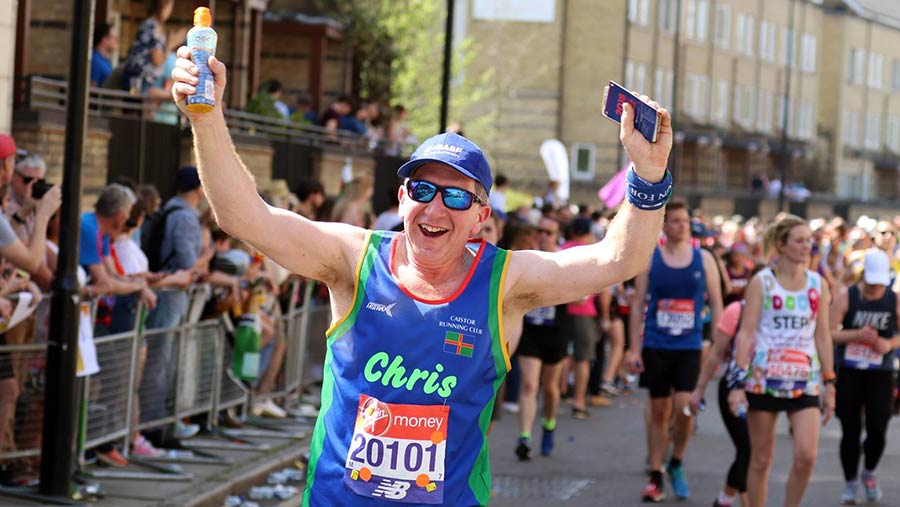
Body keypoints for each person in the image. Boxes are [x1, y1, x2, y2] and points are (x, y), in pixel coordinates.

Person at [171, 47, 673, 505]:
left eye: (456, 196)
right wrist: (206, 116)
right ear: (401, 199)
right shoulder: (353, 260)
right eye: (423, 189)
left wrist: (648, 178)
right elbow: (245, 217)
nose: (435, 206)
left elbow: (618, 260)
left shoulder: (506, 283)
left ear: (481, 218)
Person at [726, 215, 836, 507]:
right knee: (761, 460)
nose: (806, 246)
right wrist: (737, 384)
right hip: (764, 379)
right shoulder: (762, 282)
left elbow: (823, 336)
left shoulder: (818, 284)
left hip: (805, 380)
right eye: (799, 241)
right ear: (781, 245)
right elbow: (745, 335)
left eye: (809, 241)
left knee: (807, 456)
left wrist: (830, 383)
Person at [626, 199, 723, 502]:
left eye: (685, 221)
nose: (683, 226)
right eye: (676, 221)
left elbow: (718, 303)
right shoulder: (650, 258)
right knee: (658, 411)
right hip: (657, 344)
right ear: (664, 226)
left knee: (685, 408)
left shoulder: (703, 259)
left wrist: (720, 343)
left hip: (689, 346)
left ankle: (676, 461)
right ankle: (656, 475)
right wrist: (633, 349)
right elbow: (638, 303)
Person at [690, 263, 766, 507]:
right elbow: (715, 354)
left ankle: (726, 497)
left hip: (764, 390)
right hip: (734, 388)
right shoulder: (737, 310)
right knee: (748, 449)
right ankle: (734, 500)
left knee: (756, 453)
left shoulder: (777, 314)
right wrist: (699, 389)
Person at [142, 166, 206, 443]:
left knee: (159, 359)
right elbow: (188, 263)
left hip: (163, 294)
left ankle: (156, 423)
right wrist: (206, 257)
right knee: (161, 360)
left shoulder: (169, 210)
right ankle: (156, 425)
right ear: (198, 189)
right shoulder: (185, 218)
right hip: (170, 297)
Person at [830, 248, 898, 504]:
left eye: (880, 283)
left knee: (878, 427)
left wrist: (889, 344)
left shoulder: (894, 299)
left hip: (880, 372)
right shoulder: (847, 297)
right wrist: (855, 336)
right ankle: (849, 481)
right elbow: (827, 332)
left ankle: (869, 471)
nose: (875, 289)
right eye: (871, 283)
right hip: (849, 370)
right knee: (850, 429)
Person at [514, 217, 567, 459]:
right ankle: (524, 436)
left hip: (556, 332)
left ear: (557, 235)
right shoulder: (529, 259)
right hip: (531, 332)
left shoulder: (566, 261)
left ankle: (549, 424)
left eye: (549, 231)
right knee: (529, 384)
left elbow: (580, 296)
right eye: (540, 231)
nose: (543, 235)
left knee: (550, 388)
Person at [561, 217, 603, 418]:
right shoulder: (591, 252)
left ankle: (561, 391)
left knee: (562, 356)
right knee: (583, 359)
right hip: (584, 312)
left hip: (561, 309)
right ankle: (578, 402)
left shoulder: (562, 249)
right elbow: (598, 286)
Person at [120, 0, 181, 93]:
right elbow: (157, 60)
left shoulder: (157, 27)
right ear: (163, 7)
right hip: (137, 79)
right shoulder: (151, 26)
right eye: (169, 7)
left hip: (144, 80)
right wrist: (170, 43)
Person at [91, 22, 117, 87]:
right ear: (104, 40)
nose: (117, 41)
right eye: (115, 38)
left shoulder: (104, 60)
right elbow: (91, 88)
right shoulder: (95, 61)